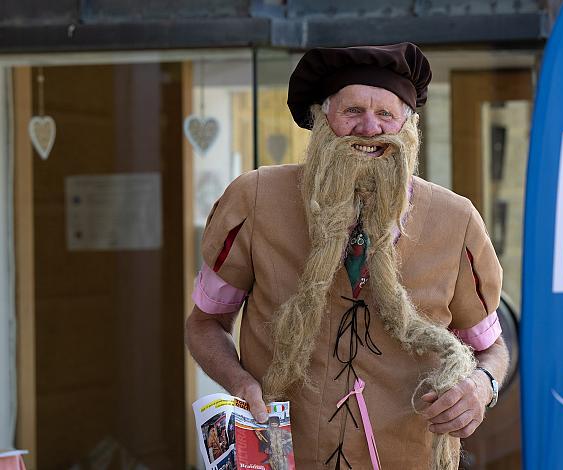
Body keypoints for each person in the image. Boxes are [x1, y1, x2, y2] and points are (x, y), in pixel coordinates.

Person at [186, 42, 509, 469]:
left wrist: (480, 387)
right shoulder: (255, 200)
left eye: (386, 115)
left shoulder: (457, 221)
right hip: (285, 456)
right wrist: (240, 382)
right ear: (322, 120)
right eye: (352, 111)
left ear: (408, 126)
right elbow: (205, 323)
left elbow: (492, 347)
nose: (370, 129)